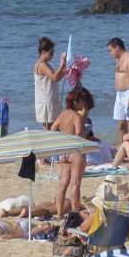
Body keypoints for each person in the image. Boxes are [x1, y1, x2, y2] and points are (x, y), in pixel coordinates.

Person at [50, 86, 93, 215]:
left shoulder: (62, 114)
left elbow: (52, 128)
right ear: (75, 102)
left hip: (63, 151)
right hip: (75, 151)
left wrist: (62, 137)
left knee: (62, 184)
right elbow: (79, 133)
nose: (83, 103)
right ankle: (75, 212)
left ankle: (59, 213)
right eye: (80, 101)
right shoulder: (76, 116)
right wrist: (86, 137)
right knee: (75, 183)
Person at [107, 37, 129, 139]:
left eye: (110, 50)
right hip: (119, 95)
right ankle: (125, 148)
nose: (110, 53)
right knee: (121, 125)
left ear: (117, 47)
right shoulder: (118, 59)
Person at [32, 37, 63, 128]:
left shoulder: (45, 64)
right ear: (43, 52)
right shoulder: (41, 64)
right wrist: (62, 66)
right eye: (51, 53)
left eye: (53, 53)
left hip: (48, 100)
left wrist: (64, 71)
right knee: (50, 128)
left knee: (52, 127)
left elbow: (56, 78)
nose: (52, 55)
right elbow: (54, 78)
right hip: (46, 102)